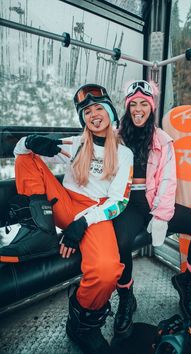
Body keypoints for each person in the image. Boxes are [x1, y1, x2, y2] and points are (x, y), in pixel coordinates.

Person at [0, 84, 134, 354]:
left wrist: (81, 224)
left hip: (93, 214)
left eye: (99, 108)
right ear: (82, 118)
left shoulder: (123, 153)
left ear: (110, 111)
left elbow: (119, 201)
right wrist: (31, 143)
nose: (93, 114)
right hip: (62, 203)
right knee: (28, 157)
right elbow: (19, 153)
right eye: (86, 112)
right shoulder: (75, 144)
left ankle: (83, 323)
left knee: (107, 270)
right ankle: (39, 230)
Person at [112, 80, 191, 339]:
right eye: (133, 104)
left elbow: (169, 181)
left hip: (156, 202)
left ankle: (188, 283)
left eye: (143, 104)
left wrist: (160, 216)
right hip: (128, 204)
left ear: (151, 107)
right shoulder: (115, 136)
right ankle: (126, 296)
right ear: (127, 107)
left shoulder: (162, 140)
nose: (138, 109)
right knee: (121, 241)